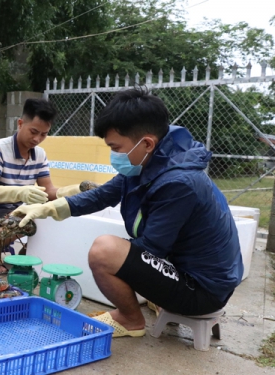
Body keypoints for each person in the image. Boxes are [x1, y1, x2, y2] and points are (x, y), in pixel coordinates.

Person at [14, 87, 243, 337]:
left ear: (146, 143)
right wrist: (47, 208)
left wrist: (117, 261)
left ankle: (130, 319)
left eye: (116, 147)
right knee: (117, 250)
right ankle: (145, 307)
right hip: (191, 275)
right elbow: (102, 195)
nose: (114, 155)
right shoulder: (154, 161)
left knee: (105, 251)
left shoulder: (179, 183)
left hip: (202, 291)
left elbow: (150, 249)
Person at [0, 98, 81, 274]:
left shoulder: (40, 155)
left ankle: (25, 257)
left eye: (44, 134)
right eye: (33, 131)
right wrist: (20, 192)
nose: (37, 139)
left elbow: (48, 191)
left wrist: (73, 190)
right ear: (20, 123)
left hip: (13, 214)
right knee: (22, 222)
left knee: (52, 213)